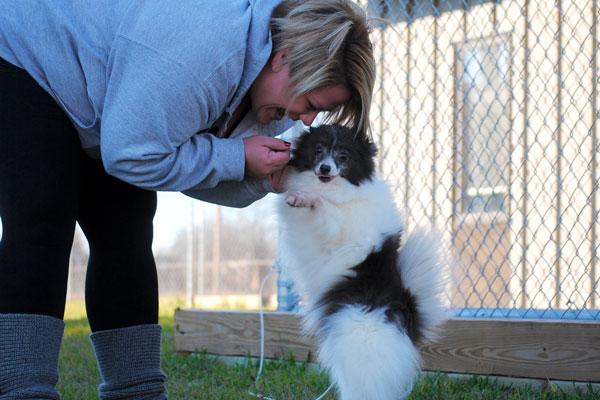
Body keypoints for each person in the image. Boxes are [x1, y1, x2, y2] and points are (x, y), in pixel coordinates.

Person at [0, 0, 375, 398]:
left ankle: (138, 391)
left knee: (126, 227)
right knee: (43, 216)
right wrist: (237, 157)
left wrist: (265, 177)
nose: (306, 121)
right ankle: (25, 390)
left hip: (104, 96)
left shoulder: (274, 101)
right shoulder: (207, 53)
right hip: (24, 54)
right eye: (312, 105)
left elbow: (183, 165)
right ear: (284, 59)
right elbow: (131, 154)